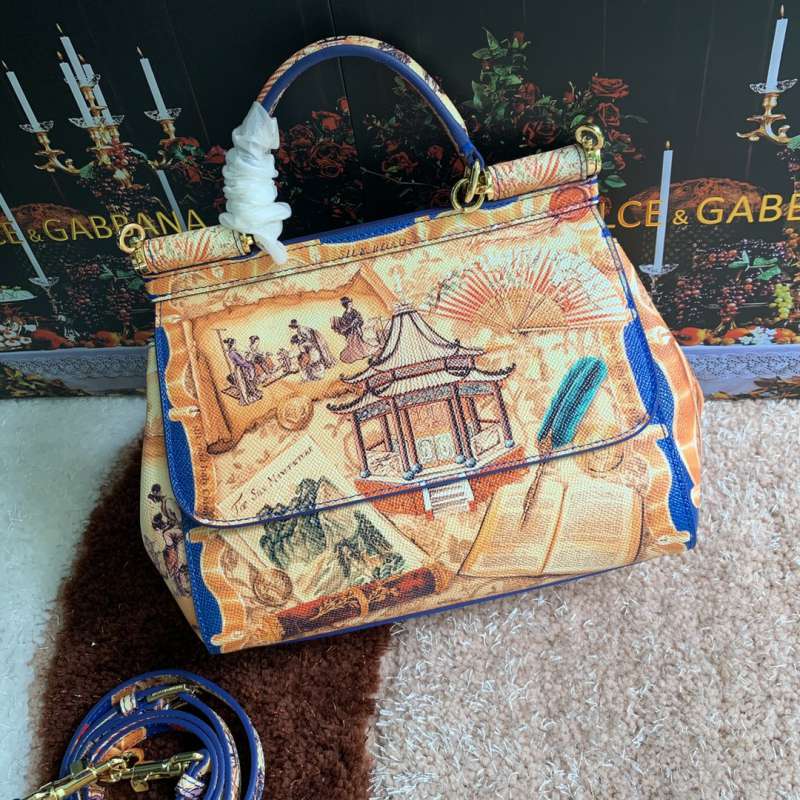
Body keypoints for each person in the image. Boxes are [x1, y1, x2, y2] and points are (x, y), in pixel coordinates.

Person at [331, 296, 371, 362]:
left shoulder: (354, 311)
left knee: (359, 342)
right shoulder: (345, 314)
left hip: (356, 329)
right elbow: (345, 324)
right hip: (350, 331)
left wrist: (357, 322)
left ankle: (361, 352)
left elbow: (359, 318)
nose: (351, 304)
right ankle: (356, 354)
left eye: (351, 303)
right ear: (346, 305)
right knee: (352, 343)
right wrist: (351, 323)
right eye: (349, 304)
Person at [223, 337, 261, 403]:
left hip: (241, 368)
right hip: (240, 368)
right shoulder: (232, 353)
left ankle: (251, 394)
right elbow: (241, 362)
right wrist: (249, 364)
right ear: (232, 344)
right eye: (235, 344)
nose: (236, 345)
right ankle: (247, 398)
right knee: (243, 383)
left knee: (246, 382)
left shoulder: (232, 352)